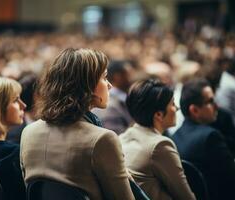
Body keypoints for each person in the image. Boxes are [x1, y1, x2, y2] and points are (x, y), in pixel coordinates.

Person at [20, 48, 135, 200]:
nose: (109, 85)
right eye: (104, 78)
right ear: (87, 85)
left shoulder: (28, 132)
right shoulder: (102, 139)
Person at [120, 78, 195, 200]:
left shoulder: (122, 137)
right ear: (159, 115)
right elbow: (184, 195)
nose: (177, 108)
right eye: (172, 104)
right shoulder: (160, 145)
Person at [172, 78, 235, 200]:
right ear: (194, 110)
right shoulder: (210, 136)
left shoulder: (175, 137)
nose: (217, 106)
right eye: (210, 102)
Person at [92, 60, 134, 134]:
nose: (132, 78)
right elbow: (117, 136)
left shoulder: (122, 98)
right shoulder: (109, 105)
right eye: (128, 74)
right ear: (118, 76)